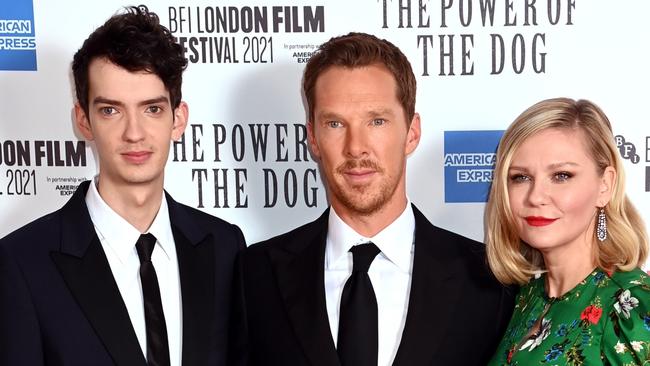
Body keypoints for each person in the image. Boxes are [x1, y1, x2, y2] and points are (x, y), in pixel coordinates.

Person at [239, 32, 514, 366]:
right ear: (312, 136)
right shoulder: (255, 275)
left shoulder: (488, 279)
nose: (356, 147)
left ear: (412, 132)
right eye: (335, 123)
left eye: (377, 121)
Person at [0, 6, 245, 366]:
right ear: (84, 121)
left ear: (178, 120)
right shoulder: (22, 263)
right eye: (111, 110)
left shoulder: (225, 246)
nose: (134, 133)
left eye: (152, 109)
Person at [485, 98, 650, 365]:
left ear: (605, 185)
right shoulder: (526, 299)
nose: (536, 196)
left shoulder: (633, 308)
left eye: (561, 175)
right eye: (520, 177)